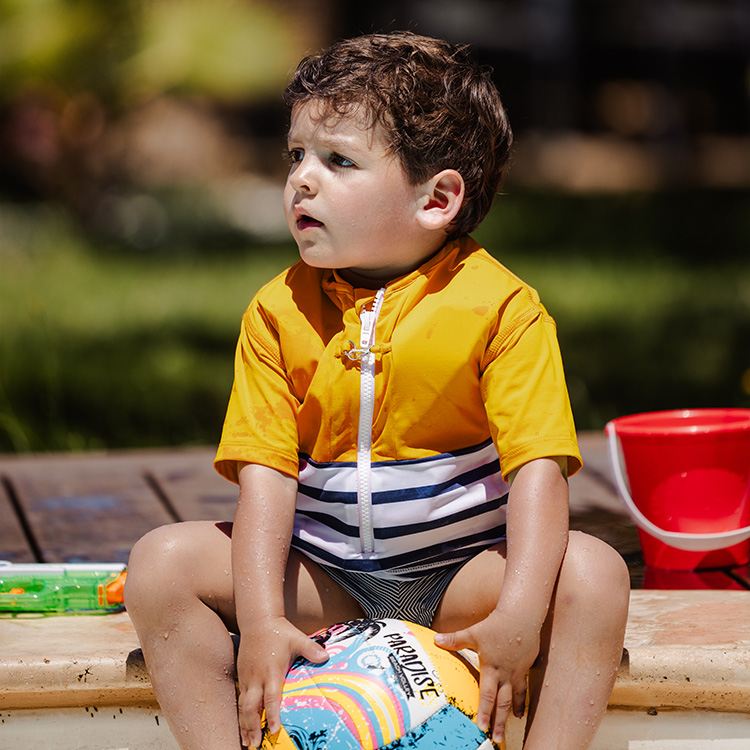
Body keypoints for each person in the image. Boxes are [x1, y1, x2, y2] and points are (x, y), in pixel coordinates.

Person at [124, 31, 630, 750]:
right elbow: (266, 477)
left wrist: (518, 612)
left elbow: (538, 471)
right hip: (326, 578)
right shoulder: (278, 311)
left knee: (595, 573)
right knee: (159, 564)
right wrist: (264, 619)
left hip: (460, 580)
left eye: (338, 161)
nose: (301, 179)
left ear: (437, 199)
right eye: (296, 154)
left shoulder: (502, 309)